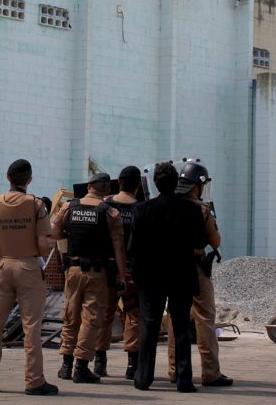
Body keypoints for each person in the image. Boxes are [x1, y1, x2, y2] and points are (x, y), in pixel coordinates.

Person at [0, 159, 59, 396]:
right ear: (29, 179)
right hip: (28, 266)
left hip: (3, 266)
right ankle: (34, 380)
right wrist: (42, 253)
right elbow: (44, 244)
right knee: (31, 326)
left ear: (8, 177)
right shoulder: (35, 205)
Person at [131, 162, 207, 393]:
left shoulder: (142, 210)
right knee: (182, 327)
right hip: (180, 275)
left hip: (151, 277)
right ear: (176, 183)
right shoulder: (192, 210)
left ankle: (143, 377)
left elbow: (134, 247)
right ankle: (184, 380)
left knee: (149, 326)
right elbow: (200, 243)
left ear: (155, 183)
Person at [52, 173, 127, 384]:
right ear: (106, 189)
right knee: (91, 319)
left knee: (70, 315)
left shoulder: (68, 207)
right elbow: (118, 247)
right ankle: (82, 366)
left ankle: (66, 365)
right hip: (97, 272)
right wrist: (121, 275)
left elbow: (54, 232)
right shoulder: (111, 213)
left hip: (73, 270)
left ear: (89, 185)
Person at [166, 162, 233, 388]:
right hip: (196, 269)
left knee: (176, 319)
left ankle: (175, 370)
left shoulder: (167, 205)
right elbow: (215, 242)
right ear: (199, 185)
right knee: (205, 318)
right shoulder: (201, 210)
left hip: (172, 267)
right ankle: (211, 372)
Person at [93, 166, 142, 380]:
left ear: (119, 183)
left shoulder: (106, 206)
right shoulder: (142, 208)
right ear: (138, 186)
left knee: (105, 314)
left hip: (107, 268)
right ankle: (132, 365)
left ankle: (100, 362)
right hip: (133, 271)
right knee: (133, 315)